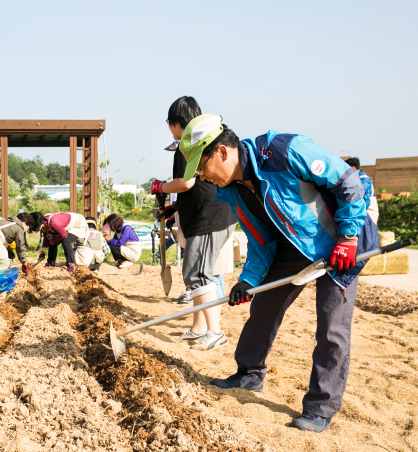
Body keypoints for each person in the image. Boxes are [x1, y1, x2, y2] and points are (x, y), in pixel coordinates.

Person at [181, 113, 378, 432]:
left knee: (331, 325)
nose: (202, 176)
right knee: (264, 305)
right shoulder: (233, 191)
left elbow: (348, 182)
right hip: (293, 246)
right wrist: (249, 280)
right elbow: (262, 240)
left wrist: (349, 236)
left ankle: (320, 408)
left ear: (221, 152)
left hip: (340, 244)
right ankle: (249, 373)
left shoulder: (284, 150)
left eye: (201, 167)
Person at [152, 96, 237, 353]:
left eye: (170, 123)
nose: (170, 128)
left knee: (197, 274)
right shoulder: (203, 141)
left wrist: (161, 187)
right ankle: (200, 327)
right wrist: (176, 206)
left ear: (176, 123)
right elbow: (196, 185)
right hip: (212, 213)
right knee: (202, 272)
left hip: (208, 217)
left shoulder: (186, 146)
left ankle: (215, 332)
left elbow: (185, 183)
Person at [345, 157, 379, 224]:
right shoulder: (356, 178)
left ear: (353, 168)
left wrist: (358, 215)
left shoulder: (363, 180)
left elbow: (365, 199)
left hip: (368, 212)